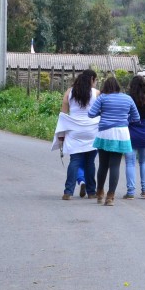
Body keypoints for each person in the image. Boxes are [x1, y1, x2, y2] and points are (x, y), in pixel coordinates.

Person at [88, 75, 140, 206]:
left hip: (105, 133)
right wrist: (125, 120)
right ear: (118, 87)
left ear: (105, 87)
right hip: (122, 133)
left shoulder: (103, 98)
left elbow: (91, 114)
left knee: (103, 165)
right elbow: (136, 117)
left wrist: (103, 113)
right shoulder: (128, 98)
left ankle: (100, 192)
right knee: (115, 165)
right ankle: (110, 197)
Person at [51, 69, 100, 200]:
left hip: (74, 131)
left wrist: (62, 134)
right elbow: (102, 112)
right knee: (90, 162)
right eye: (95, 80)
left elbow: (63, 115)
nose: (96, 83)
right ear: (91, 80)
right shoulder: (97, 93)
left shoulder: (69, 92)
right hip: (92, 131)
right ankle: (91, 192)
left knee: (75, 161)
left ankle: (68, 192)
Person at [124, 75, 145, 200]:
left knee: (130, 163)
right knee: (144, 162)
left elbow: (125, 116)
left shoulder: (129, 99)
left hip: (131, 134)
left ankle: (130, 191)